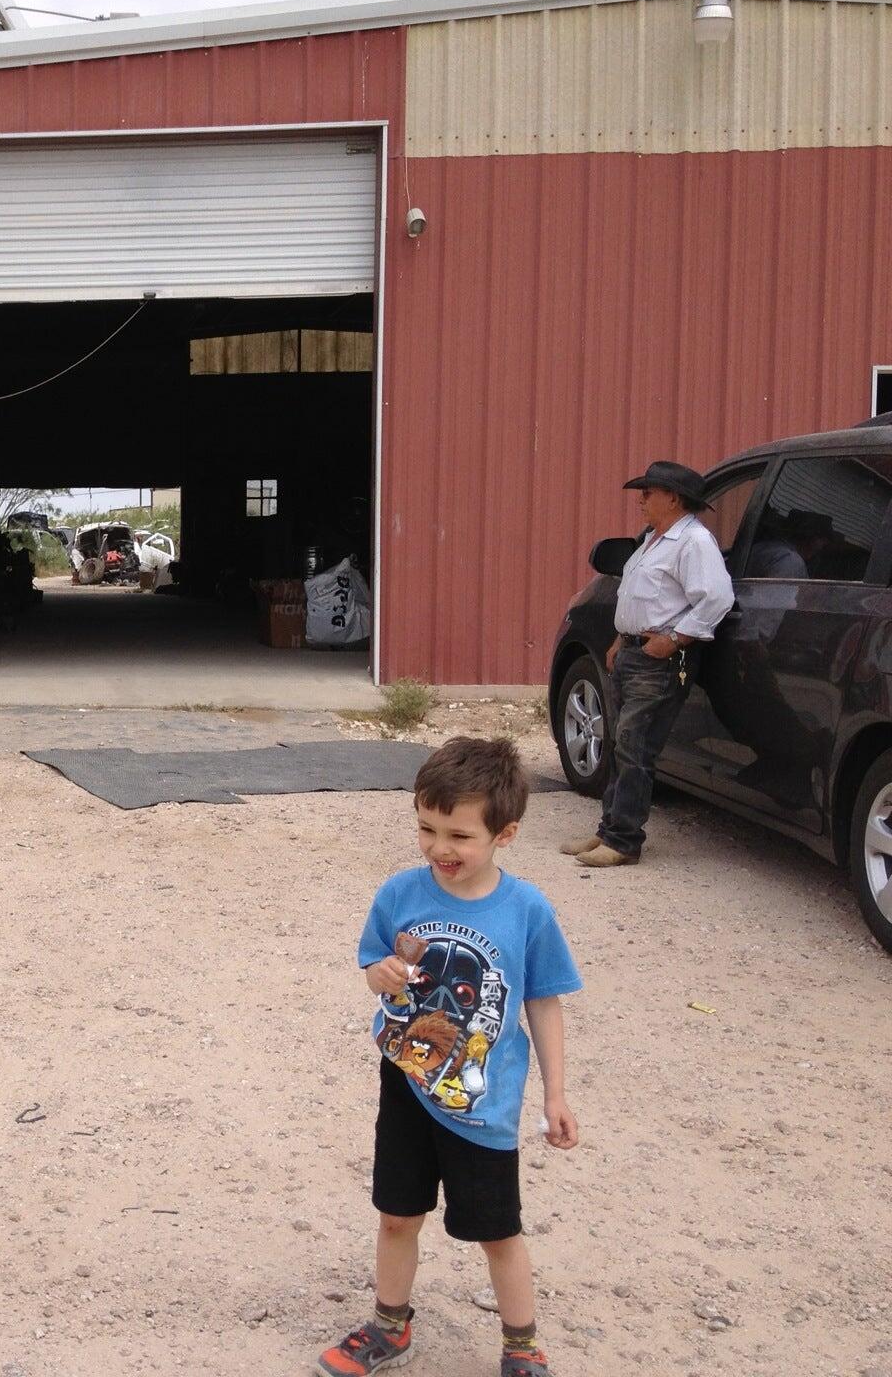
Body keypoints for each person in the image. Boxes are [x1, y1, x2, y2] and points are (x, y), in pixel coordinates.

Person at [318, 738, 581, 1377]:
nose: (441, 848)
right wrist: (379, 975)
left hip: (482, 1106)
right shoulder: (400, 894)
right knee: (397, 1216)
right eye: (427, 829)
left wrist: (555, 1093)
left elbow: (544, 1002)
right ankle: (389, 1326)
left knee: (497, 1232)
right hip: (406, 1086)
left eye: (459, 835)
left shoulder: (526, 910)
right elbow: (376, 966)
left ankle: (522, 1346)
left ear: (505, 833)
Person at [561, 461, 733, 868]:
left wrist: (674, 639)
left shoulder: (693, 542)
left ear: (673, 498)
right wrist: (622, 639)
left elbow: (717, 598)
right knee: (622, 744)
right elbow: (642, 596)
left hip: (660, 659)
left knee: (635, 745)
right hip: (634, 653)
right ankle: (608, 829)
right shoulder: (655, 540)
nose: (641, 499)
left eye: (649, 492)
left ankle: (623, 840)